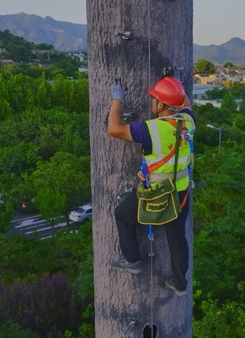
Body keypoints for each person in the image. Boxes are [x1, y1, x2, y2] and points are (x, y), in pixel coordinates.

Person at [107, 73, 195, 297]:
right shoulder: (188, 121)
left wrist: (117, 99)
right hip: (181, 192)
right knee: (177, 237)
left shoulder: (151, 129)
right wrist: (173, 84)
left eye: (155, 99)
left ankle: (132, 260)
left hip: (157, 193)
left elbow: (114, 129)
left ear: (162, 104)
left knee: (122, 214)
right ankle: (180, 284)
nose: (152, 102)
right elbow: (186, 103)